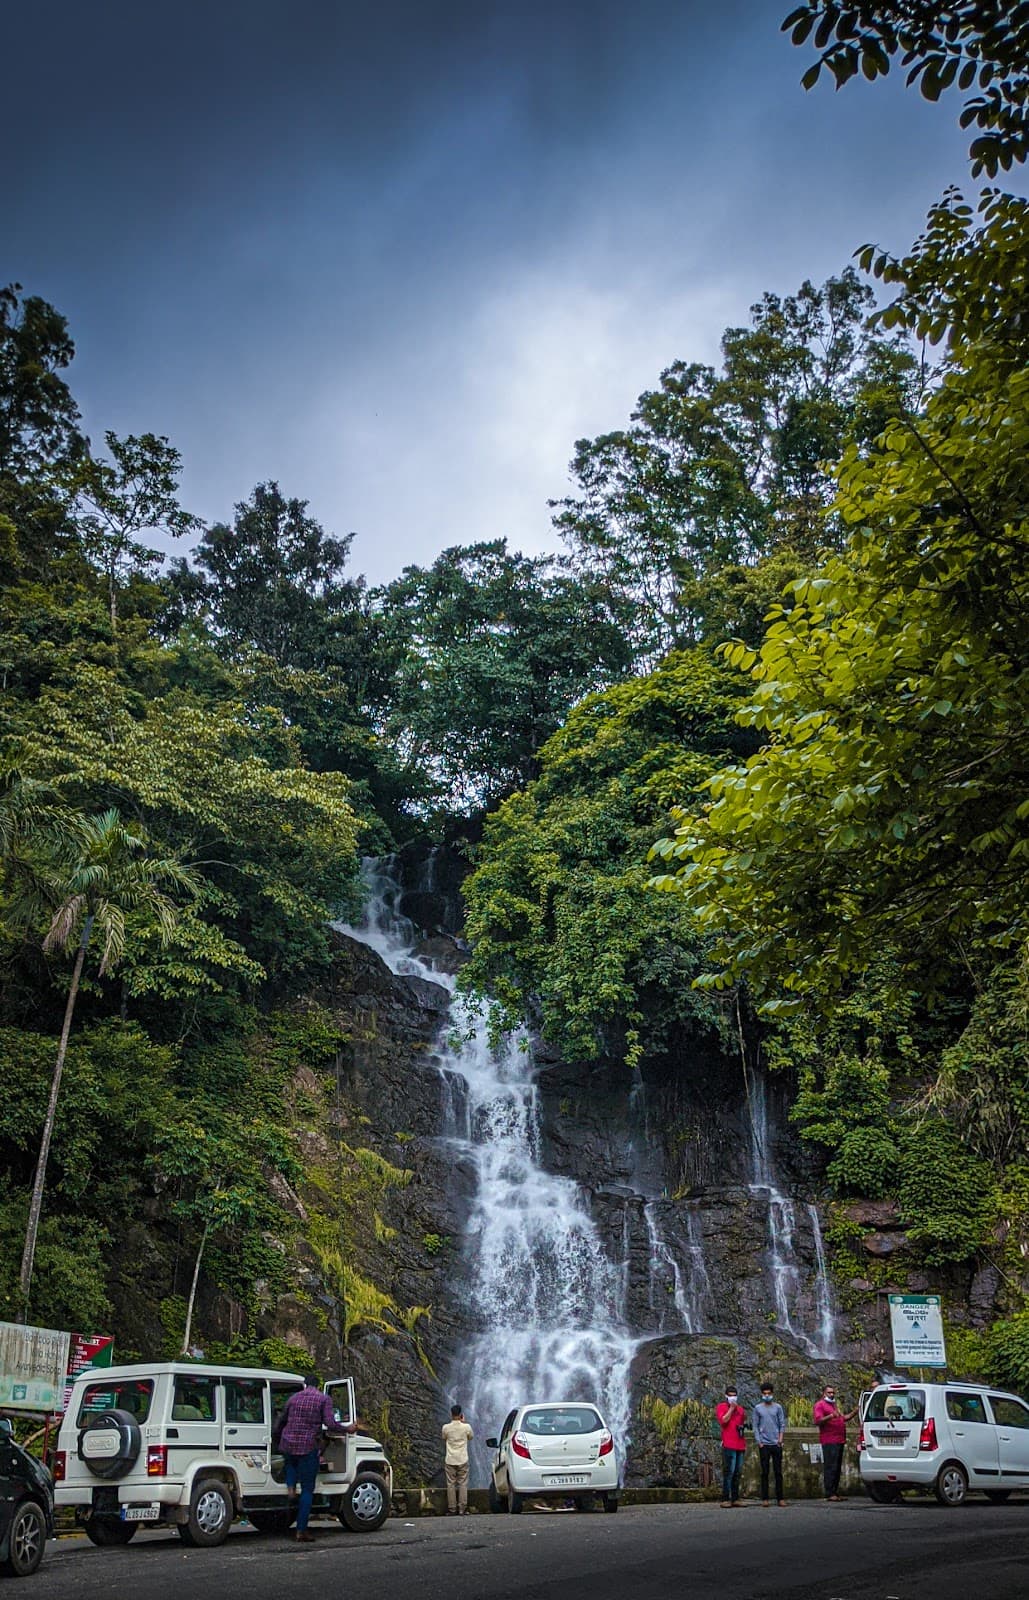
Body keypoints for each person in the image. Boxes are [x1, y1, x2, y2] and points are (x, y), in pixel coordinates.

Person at [278, 1374, 358, 1543]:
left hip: (288, 1442)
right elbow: (330, 1423)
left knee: (290, 1463)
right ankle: (301, 1531)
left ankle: (290, 1487)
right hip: (307, 1446)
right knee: (307, 1489)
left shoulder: (293, 1398)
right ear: (318, 1385)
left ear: (305, 1385)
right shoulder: (323, 1399)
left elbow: (282, 1420)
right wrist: (347, 1429)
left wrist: (276, 1435)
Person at [813, 1383, 857, 1501]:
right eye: (829, 1393)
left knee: (837, 1467)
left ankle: (835, 1492)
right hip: (829, 1440)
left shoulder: (833, 1405)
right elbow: (818, 1421)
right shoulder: (820, 1405)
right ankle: (829, 1493)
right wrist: (831, 1416)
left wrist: (855, 1411)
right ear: (824, 1393)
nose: (832, 1395)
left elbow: (843, 1418)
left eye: (833, 1393)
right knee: (830, 1466)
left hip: (839, 1440)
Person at [752, 1381, 787, 1506]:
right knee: (765, 1472)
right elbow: (755, 1425)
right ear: (762, 1394)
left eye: (769, 1393)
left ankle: (780, 1498)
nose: (767, 1395)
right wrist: (759, 1442)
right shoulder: (757, 1408)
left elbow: (782, 1423)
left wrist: (780, 1439)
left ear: (772, 1393)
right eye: (764, 1393)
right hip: (764, 1444)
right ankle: (765, 1499)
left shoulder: (778, 1407)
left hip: (776, 1443)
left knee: (778, 1472)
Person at [715, 1386, 747, 1507]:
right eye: (730, 1395)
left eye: (734, 1395)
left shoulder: (741, 1409)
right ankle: (725, 1498)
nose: (733, 1397)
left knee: (738, 1472)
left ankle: (735, 1498)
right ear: (726, 1396)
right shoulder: (721, 1407)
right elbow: (723, 1421)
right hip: (729, 1444)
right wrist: (731, 1409)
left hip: (740, 1444)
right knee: (729, 1472)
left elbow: (742, 1423)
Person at [442, 1403, 474, 1515]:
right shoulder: (467, 1427)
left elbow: (443, 1437)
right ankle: (462, 1509)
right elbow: (471, 1437)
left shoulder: (446, 1428)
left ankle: (452, 1509)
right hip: (462, 1459)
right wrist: (463, 1422)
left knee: (450, 1484)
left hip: (450, 1459)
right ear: (461, 1414)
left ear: (451, 1414)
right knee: (463, 1483)